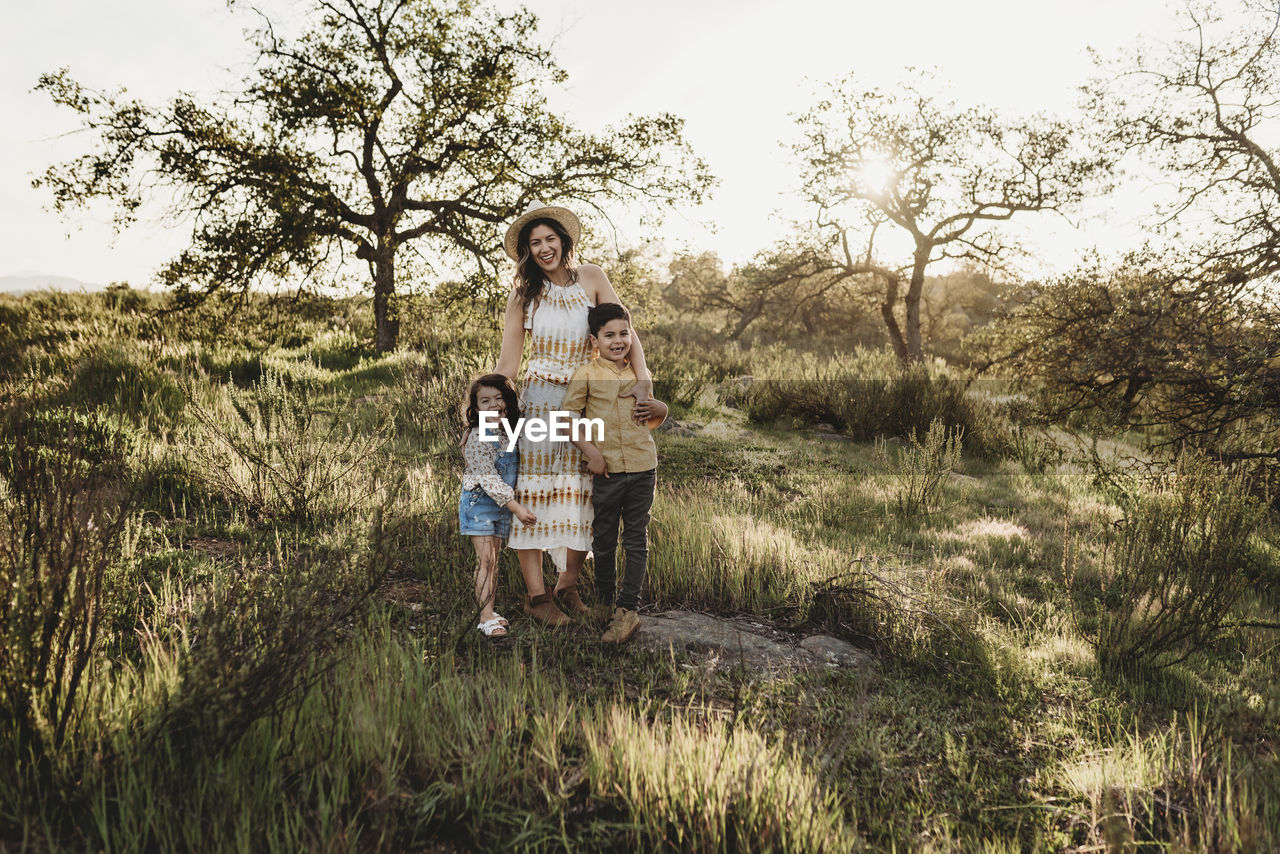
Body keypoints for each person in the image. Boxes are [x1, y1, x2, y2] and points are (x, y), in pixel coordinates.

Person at [494, 201, 656, 625]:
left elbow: (625, 328)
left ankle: (568, 582)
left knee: (588, 492)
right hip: (542, 403)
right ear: (527, 252)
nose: (544, 248)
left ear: (564, 241)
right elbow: (508, 365)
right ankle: (536, 596)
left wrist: (643, 377)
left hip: (592, 397)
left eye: (550, 239)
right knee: (533, 492)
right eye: (535, 243)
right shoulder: (523, 295)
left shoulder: (593, 278)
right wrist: (488, 413)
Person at [563, 302, 668, 644]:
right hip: (606, 472)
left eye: (624, 333)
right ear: (595, 340)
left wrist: (661, 409)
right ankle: (604, 603)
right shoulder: (586, 374)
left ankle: (628, 610)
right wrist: (591, 453)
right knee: (604, 541)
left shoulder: (638, 376)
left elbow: (650, 418)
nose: (618, 340)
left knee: (636, 539)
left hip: (642, 468)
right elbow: (567, 420)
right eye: (609, 335)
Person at [458, 373, 538, 637]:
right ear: (475, 408)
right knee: (485, 561)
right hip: (480, 504)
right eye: (485, 401)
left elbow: (526, 413)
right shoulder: (478, 437)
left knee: (493, 561)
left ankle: (490, 610)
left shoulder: (508, 431)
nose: (493, 405)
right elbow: (488, 479)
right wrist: (516, 507)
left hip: (501, 506)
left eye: (499, 398)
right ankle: (485, 618)